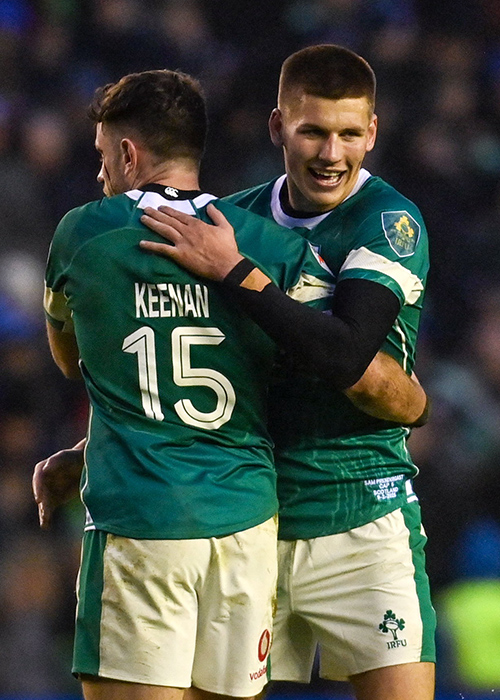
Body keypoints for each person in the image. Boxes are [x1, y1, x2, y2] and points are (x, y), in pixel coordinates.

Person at [35, 51, 432, 700]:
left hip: (360, 507)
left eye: (350, 134)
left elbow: (349, 360)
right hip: (257, 518)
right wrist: (87, 450)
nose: (331, 152)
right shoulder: (239, 224)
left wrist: (233, 273)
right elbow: (199, 368)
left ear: (373, 133)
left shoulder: (387, 223)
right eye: (313, 132)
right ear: (278, 128)